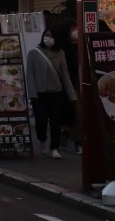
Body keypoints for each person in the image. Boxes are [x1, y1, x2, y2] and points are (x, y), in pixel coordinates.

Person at [26, 27, 77, 159]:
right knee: (41, 120)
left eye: (51, 36)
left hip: (56, 92)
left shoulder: (60, 53)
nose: (48, 38)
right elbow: (30, 75)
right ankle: (42, 139)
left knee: (56, 122)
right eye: (46, 35)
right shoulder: (33, 53)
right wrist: (32, 94)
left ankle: (55, 147)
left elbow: (65, 75)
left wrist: (72, 95)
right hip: (39, 93)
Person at [54, 19, 81, 154]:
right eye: (72, 29)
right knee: (74, 113)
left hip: (64, 85)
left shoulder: (61, 48)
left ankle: (67, 137)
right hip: (68, 84)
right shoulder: (65, 48)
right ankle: (75, 141)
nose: (74, 32)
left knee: (68, 114)